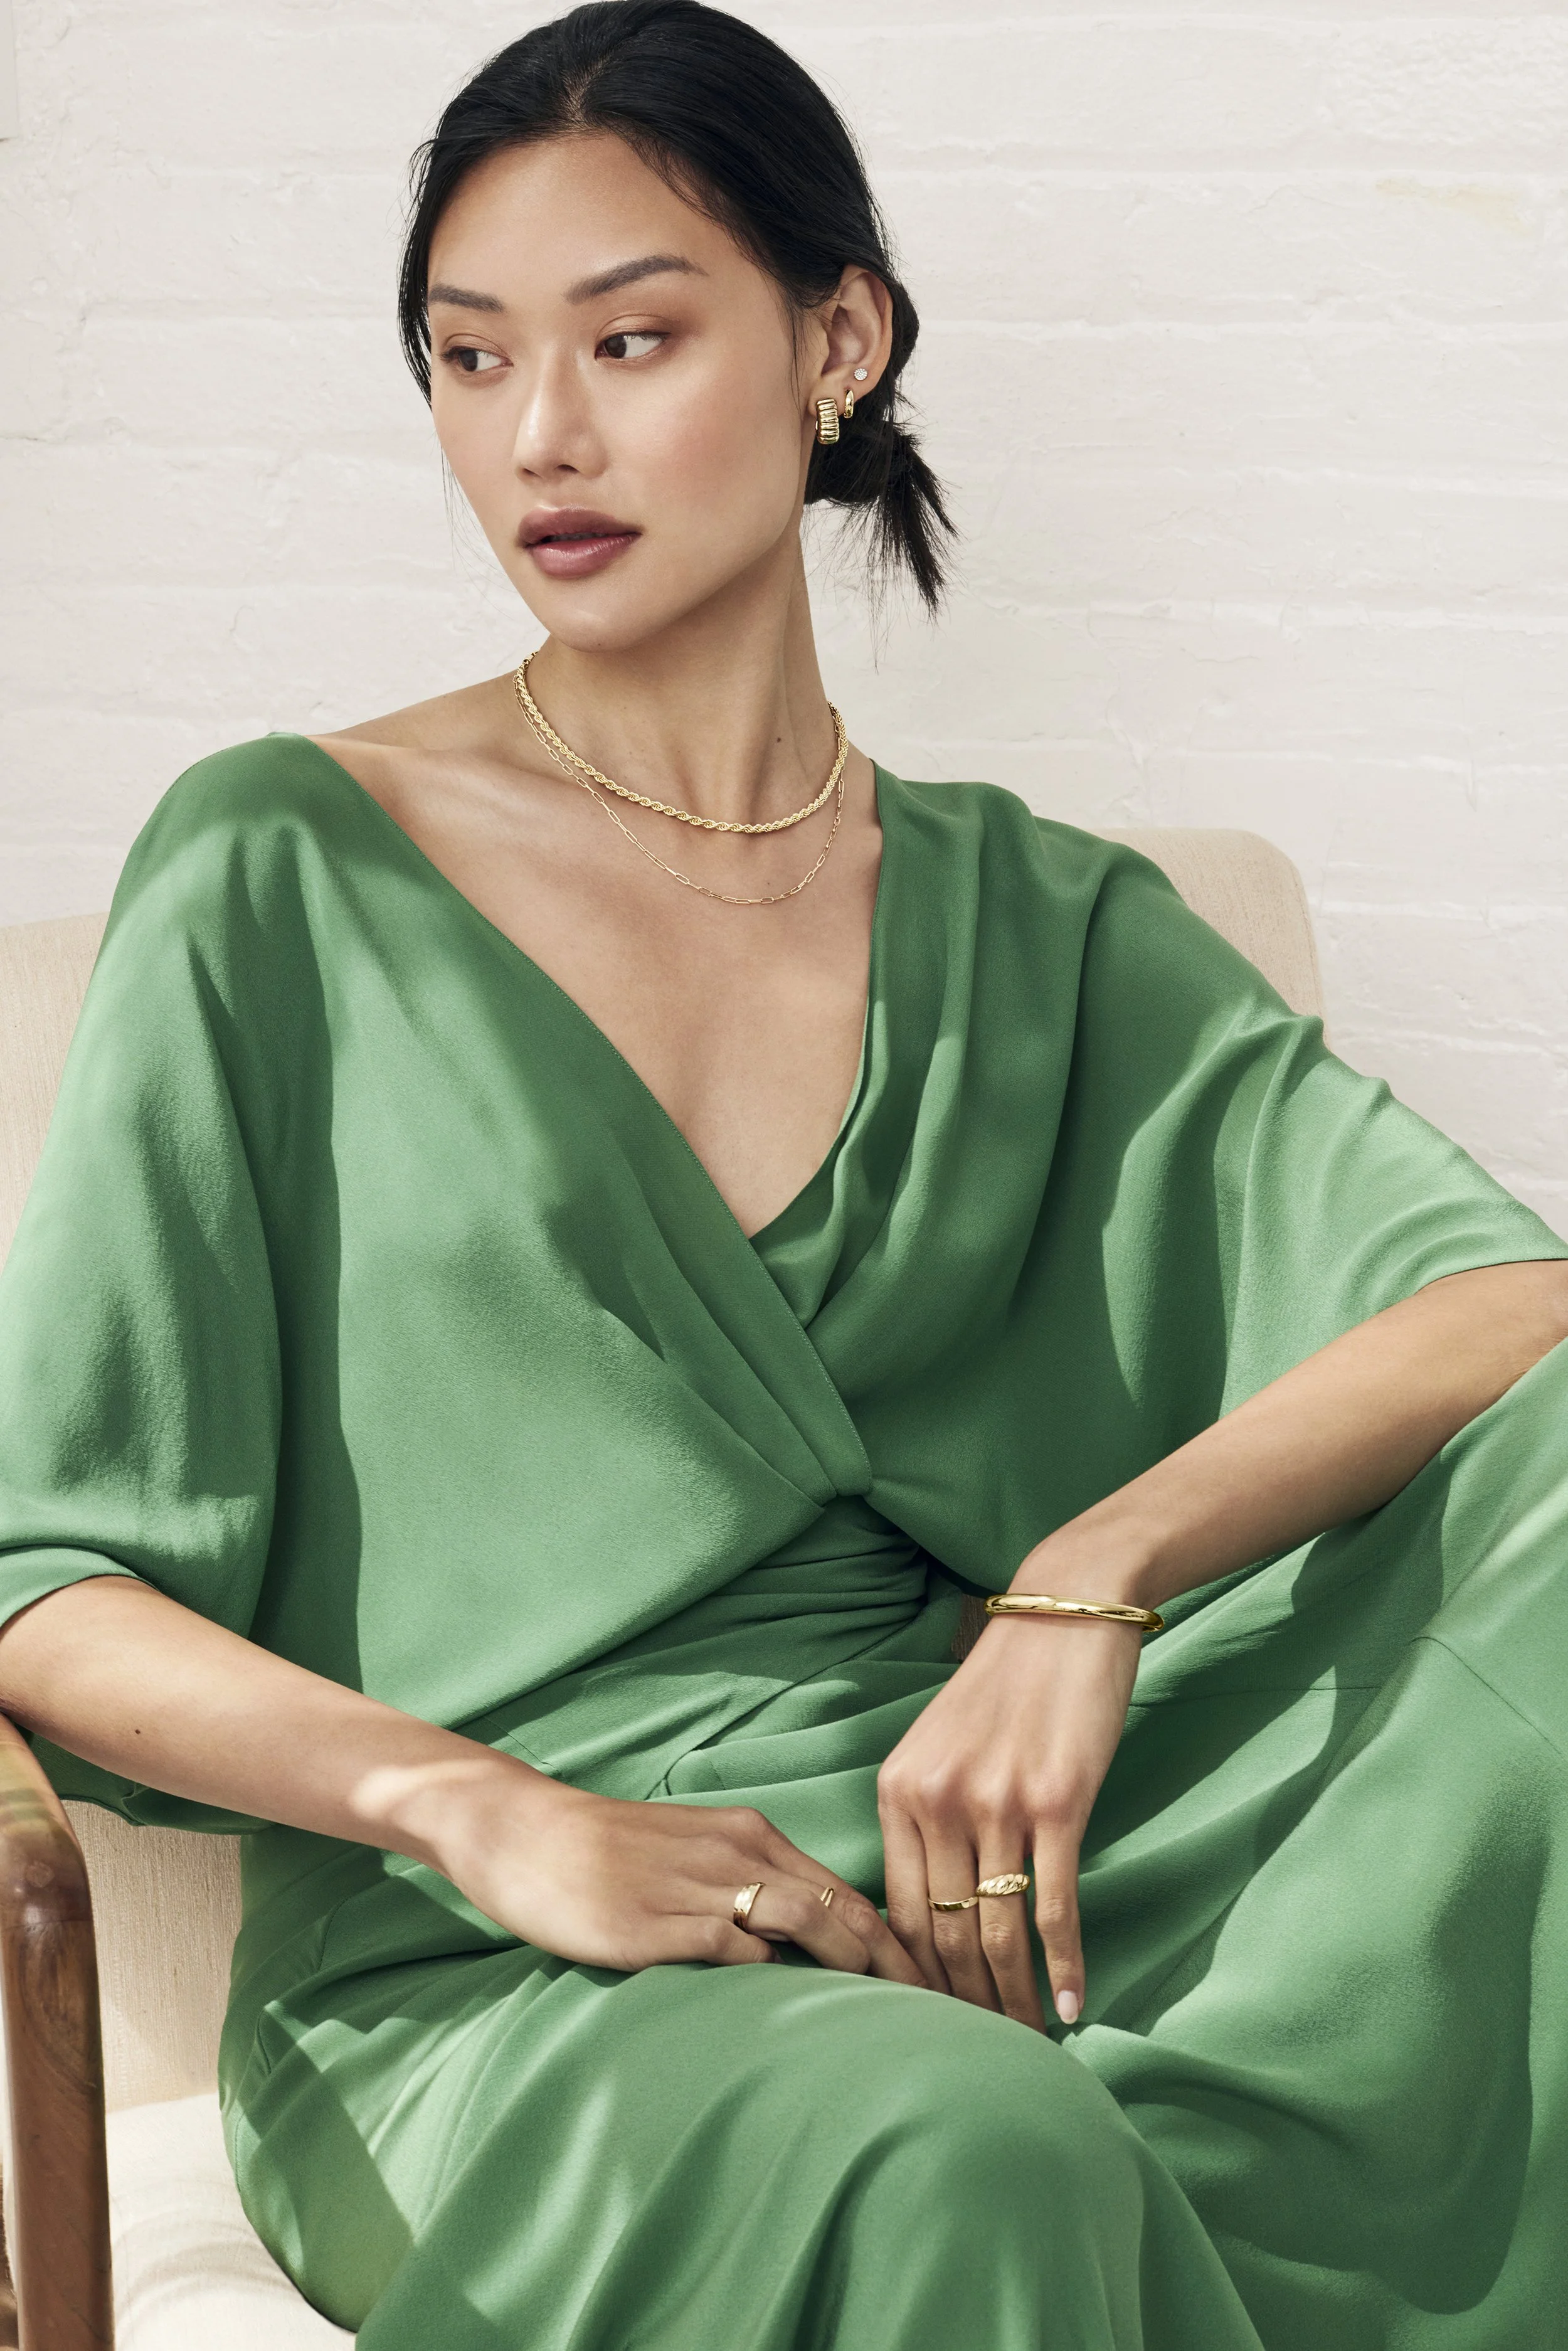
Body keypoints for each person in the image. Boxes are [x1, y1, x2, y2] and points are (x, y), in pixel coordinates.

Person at [1, 4, 1565, 2344]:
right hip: (512, 1965)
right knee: (974, 2145)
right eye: (466, 357)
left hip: (991, 1864)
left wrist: (1092, 1579)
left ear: (841, 340)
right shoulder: (278, 869)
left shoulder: (1041, 925)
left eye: (631, 339)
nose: (539, 435)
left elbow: (1508, 1303)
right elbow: (50, 1583)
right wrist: (470, 1803)